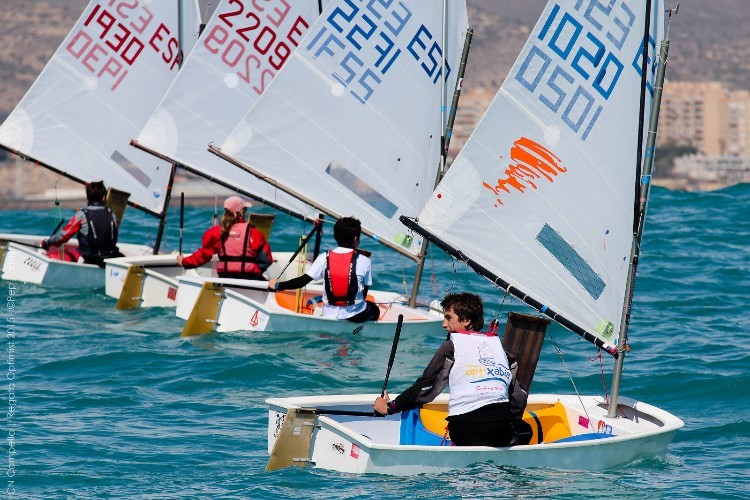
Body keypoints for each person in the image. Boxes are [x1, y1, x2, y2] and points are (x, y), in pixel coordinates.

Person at [373, 292, 532, 447]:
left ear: (466, 320)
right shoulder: (502, 350)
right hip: (499, 432)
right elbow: (520, 395)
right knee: (525, 429)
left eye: (449, 318)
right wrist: (509, 420)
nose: (444, 324)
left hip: (462, 432)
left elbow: (426, 387)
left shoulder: (451, 346)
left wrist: (390, 407)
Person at [267, 216, 380, 323]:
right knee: (375, 309)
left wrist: (277, 285)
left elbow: (302, 281)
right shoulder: (365, 261)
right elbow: (364, 293)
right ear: (356, 238)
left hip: (329, 314)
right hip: (354, 316)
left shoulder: (324, 258)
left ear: (335, 236)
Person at [177, 196, 273, 280]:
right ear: (241, 211)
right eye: (245, 209)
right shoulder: (254, 232)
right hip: (250, 278)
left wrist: (184, 262)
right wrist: (255, 269)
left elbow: (202, 255)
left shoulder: (216, 232)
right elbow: (267, 259)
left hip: (225, 278)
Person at [41, 180, 124, 267]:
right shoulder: (113, 215)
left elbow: (63, 236)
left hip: (92, 260)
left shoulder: (82, 215)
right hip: (111, 258)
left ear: (87, 197)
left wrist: (48, 242)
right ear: (104, 198)